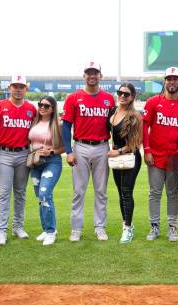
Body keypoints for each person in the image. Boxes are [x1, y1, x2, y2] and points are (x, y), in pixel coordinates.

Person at [62, 62, 115, 242]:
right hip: (81, 146)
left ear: (101, 75)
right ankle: (76, 228)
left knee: (101, 191)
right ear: (83, 75)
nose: (92, 76)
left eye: (95, 73)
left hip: (102, 146)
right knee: (79, 190)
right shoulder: (73, 98)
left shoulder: (109, 99)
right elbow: (66, 125)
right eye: (89, 73)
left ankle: (100, 227)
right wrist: (68, 151)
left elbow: (114, 125)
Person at [0, 75, 36, 246]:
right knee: (4, 193)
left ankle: (18, 226)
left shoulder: (31, 108)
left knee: (21, 193)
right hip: (5, 153)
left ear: (26, 88)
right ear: (9, 88)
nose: (18, 89)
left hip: (23, 153)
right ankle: (1, 230)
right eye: (15, 86)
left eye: (21, 86)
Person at [142, 66, 178, 242]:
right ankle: (154, 227)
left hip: (176, 157)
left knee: (173, 193)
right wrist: (146, 150)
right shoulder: (153, 102)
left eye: (175, 79)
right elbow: (144, 126)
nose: (172, 82)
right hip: (156, 155)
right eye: (169, 78)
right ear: (164, 81)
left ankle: (172, 227)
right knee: (155, 192)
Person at [107, 83, 142, 243]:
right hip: (115, 157)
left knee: (127, 192)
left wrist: (119, 151)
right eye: (120, 93)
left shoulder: (135, 116)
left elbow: (136, 143)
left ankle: (128, 229)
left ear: (132, 97)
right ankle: (125, 224)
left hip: (129, 157)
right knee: (121, 193)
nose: (122, 96)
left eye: (126, 94)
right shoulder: (113, 111)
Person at [29, 96, 65, 245]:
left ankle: (51, 231)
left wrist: (51, 152)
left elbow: (65, 147)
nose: (42, 107)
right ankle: (46, 229)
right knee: (40, 196)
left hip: (52, 162)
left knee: (45, 194)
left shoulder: (58, 124)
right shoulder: (34, 122)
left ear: (53, 108)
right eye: (40, 104)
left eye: (46, 105)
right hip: (35, 162)